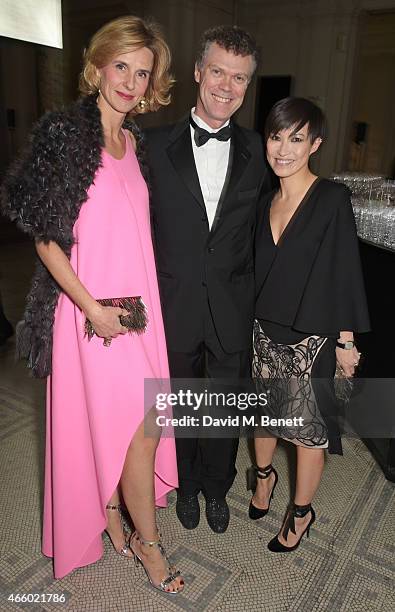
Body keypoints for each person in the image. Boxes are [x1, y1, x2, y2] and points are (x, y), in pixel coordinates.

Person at [1, 16, 184, 592]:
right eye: (121, 65)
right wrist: (91, 309)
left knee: (138, 417)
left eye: (142, 71)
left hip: (136, 309)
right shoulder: (65, 133)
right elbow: (47, 239)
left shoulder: (136, 143)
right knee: (138, 425)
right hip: (89, 311)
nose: (129, 81)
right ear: (99, 64)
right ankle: (149, 544)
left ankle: (112, 513)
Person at [145, 25, 270, 534]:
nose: (226, 85)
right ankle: (187, 485)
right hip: (172, 303)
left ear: (247, 85)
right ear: (198, 73)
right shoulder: (150, 146)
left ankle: (216, 488)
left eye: (239, 77)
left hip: (232, 307)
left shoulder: (263, 151)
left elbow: (272, 228)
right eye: (217, 71)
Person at [249, 97, 370, 552]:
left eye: (296, 139)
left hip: (312, 337)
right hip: (262, 330)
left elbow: (344, 271)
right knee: (262, 420)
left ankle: (301, 514)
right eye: (276, 137)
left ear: (315, 144)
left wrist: (346, 342)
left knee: (306, 431)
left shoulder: (332, 198)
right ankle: (263, 479)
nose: (283, 149)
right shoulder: (263, 201)